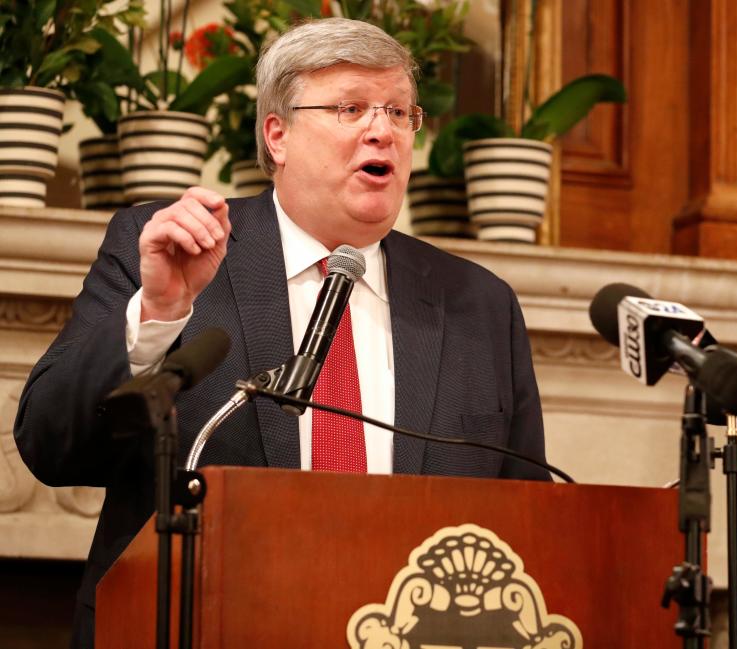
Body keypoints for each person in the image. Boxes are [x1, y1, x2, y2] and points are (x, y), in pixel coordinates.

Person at [13, 18, 548, 648]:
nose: (383, 130)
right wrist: (156, 312)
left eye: (399, 112)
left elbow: (528, 523)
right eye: (350, 107)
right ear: (278, 134)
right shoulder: (170, 251)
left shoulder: (478, 305)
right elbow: (51, 446)